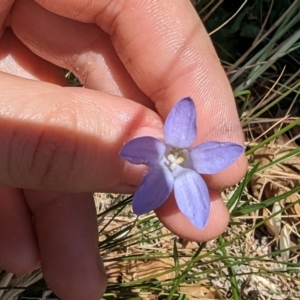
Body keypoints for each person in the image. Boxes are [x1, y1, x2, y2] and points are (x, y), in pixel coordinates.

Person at [0, 0, 247, 299]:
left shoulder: (194, 157)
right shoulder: (155, 148)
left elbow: (217, 167)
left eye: (179, 158)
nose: (176, 159)